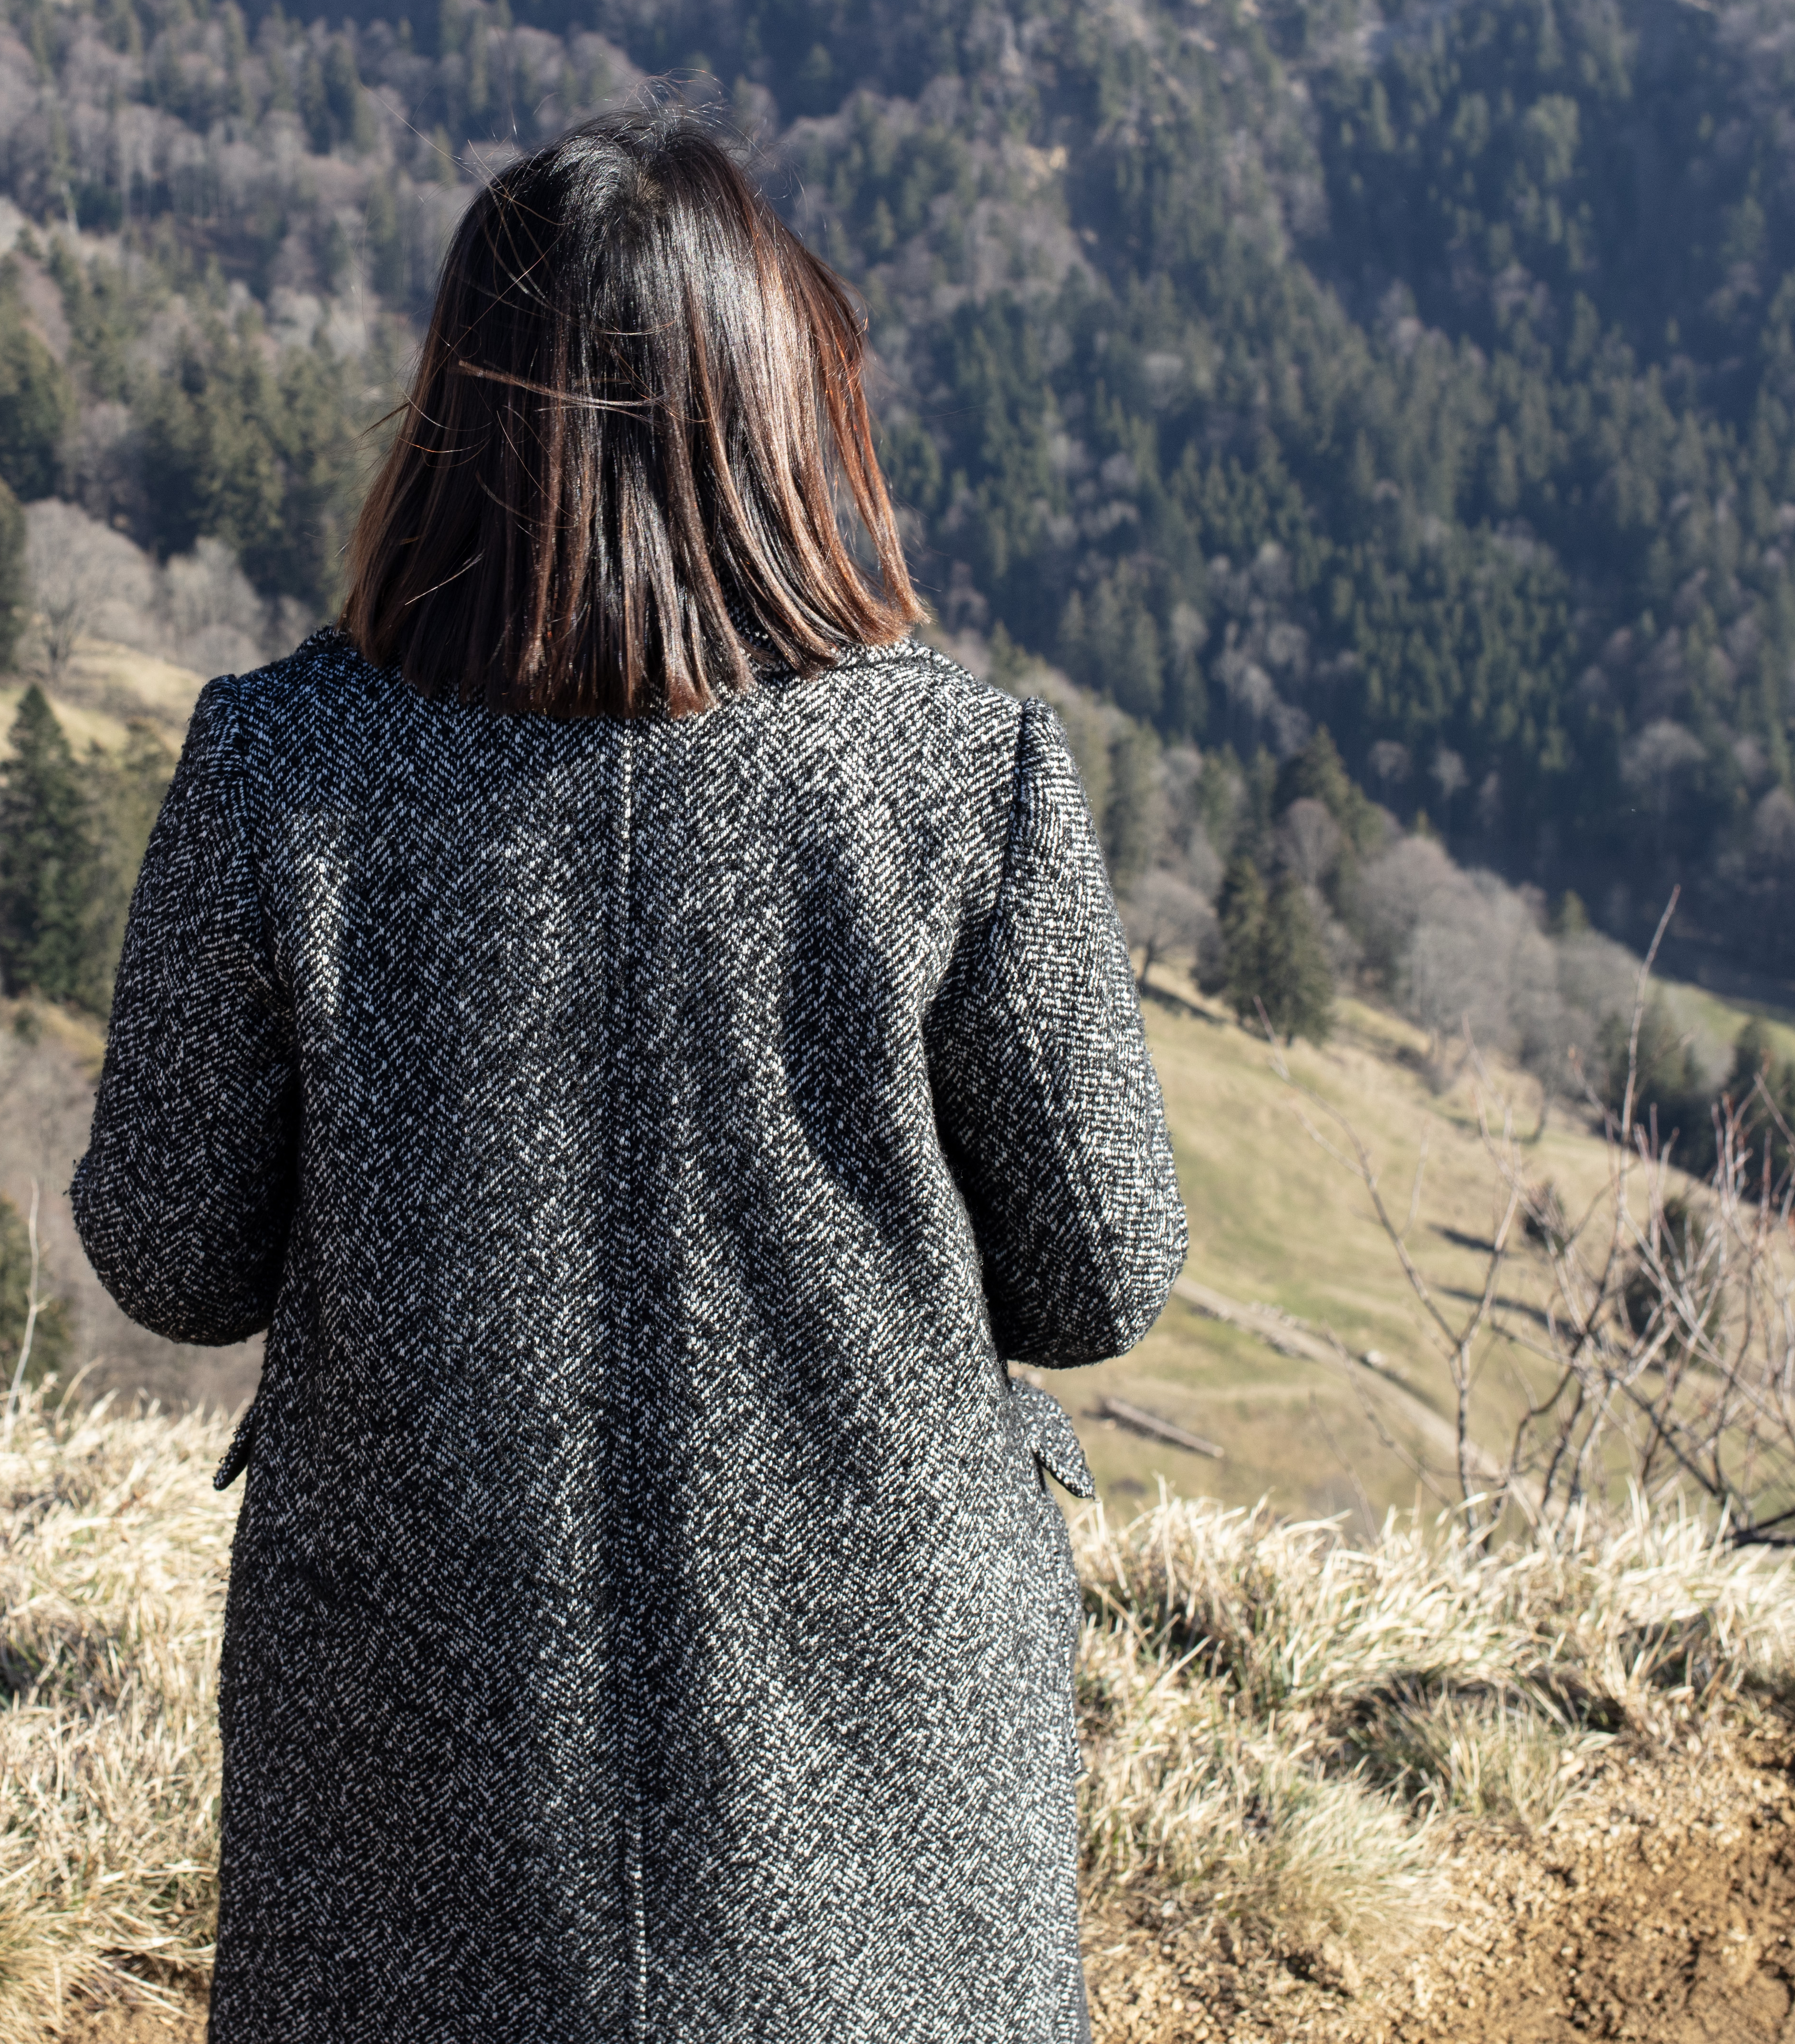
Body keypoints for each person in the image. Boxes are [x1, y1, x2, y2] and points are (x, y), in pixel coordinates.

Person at [71, 98, 1185, 2043]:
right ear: (782, 411)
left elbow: (172, 1251)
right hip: (879, 1779)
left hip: (426, 1778)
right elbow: (1103, 1276)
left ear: (454, 427)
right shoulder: (961, 778)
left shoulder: (277, 763)